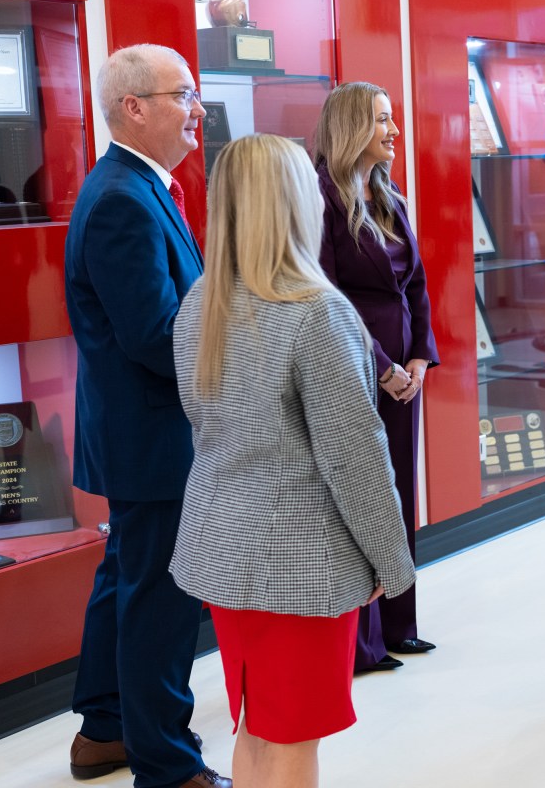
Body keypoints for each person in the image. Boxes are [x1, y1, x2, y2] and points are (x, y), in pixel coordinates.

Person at [169, 134, 416, 788]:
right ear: (294, 204)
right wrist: (393, 560)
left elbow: (203, 424)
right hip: (300, 566)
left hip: (223, 550)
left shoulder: (201, 304)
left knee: (258, 728)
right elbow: (354, 457)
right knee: (292, 744)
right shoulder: (316, 312)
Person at [64, 45, 230, 788]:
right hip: (154, 439)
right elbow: (159, 338)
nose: (197, 110)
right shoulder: (125, 201)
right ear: (134, 107)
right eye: (183, 95)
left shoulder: (138, 187)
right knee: (159, 604)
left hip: (140, 435)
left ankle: (103, 730)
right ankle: (165, 765)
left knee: (127, 580)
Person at [313, 82, 440, 673]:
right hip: (352, 365)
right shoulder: (318, 197)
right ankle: (360, 643)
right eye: (383, 121)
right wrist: (384, 367)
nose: (394, 131)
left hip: (402, 370)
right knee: (361, 496)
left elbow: (415, 285)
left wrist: (418, 358)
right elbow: (326, 298)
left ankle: (399, 625)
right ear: (352, 129)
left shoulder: (391, 194)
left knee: (400, 492)